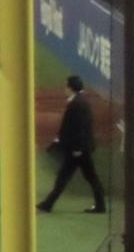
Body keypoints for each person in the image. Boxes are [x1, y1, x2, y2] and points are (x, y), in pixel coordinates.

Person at [37, 75, 106, 213]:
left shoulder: (77, 104)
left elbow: (80, 128)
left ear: (71, 88)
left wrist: (77, 148)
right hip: (80, 148)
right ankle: (100, 205)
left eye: (66, 86)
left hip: (78, 149)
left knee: (68, 177)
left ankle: (48, 204)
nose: (65, 88)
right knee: (86, 177)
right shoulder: (79, 102)